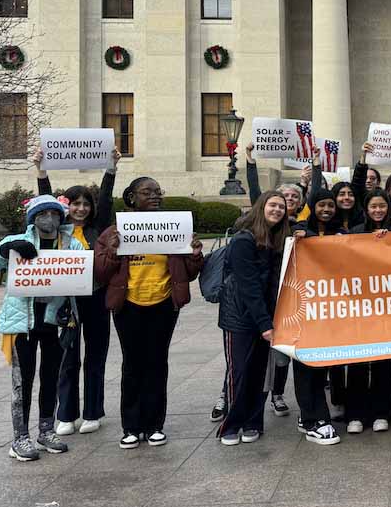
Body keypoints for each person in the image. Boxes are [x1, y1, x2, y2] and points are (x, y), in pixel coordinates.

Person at [94, 177, 205, 449]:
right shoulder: (113, 232)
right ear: (132, 197)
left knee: (157, 363)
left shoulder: (174, 229)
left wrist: (194, 254)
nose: (155, 196)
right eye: (147, 192)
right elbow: (101, 272)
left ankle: (155, 424)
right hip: (128, 304)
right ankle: (131, 427)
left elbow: (189, 273)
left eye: (158, 191)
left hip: (164, 303)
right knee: (132, 365)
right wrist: (113, 251)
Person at [0, 195, 81, 461]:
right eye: (43, 214)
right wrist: (3, 252)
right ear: (33, 219)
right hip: (22, 325)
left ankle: (46, 429)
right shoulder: (15, 243)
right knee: (23, 381)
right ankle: (20, 437)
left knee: (52, 377)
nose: (49, 219)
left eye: (55, 214)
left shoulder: (70, 243)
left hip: (55, 321)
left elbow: (82, 275)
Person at [31, 146, 121, 437]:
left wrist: (111, 168)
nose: (81, 208)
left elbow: (106, 198)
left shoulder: (98, 228)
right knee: (67, 357)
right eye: (74, 203)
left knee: (96, 355)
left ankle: (92, 412)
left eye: (86, 204)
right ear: (65, 206)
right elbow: (44, 201)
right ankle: (66, 414)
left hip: (95, 298)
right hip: (65, 301)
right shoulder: (58, 229)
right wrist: (41, 172)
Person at [216, 191, 291, 446]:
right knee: (239, 373)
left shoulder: (275, 240)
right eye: (272, 205)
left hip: (265, 319)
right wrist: (264, 324)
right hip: (240, 318)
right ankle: (231, 424)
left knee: (260, 374)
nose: (277, 210)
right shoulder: (243, 240)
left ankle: (253, 422)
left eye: (281, 207)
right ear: (261, 207)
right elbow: (249, 286)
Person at [344, 189, 391, 433]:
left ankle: (382, 412)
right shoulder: (355, 232)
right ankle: (355, 413)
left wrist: (389, 242)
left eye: (382, 206)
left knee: (383, 361)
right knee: (357, 361)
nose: (378, 210)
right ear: (366, 209)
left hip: (386, 306)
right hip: (359, 307)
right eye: (373, 206)